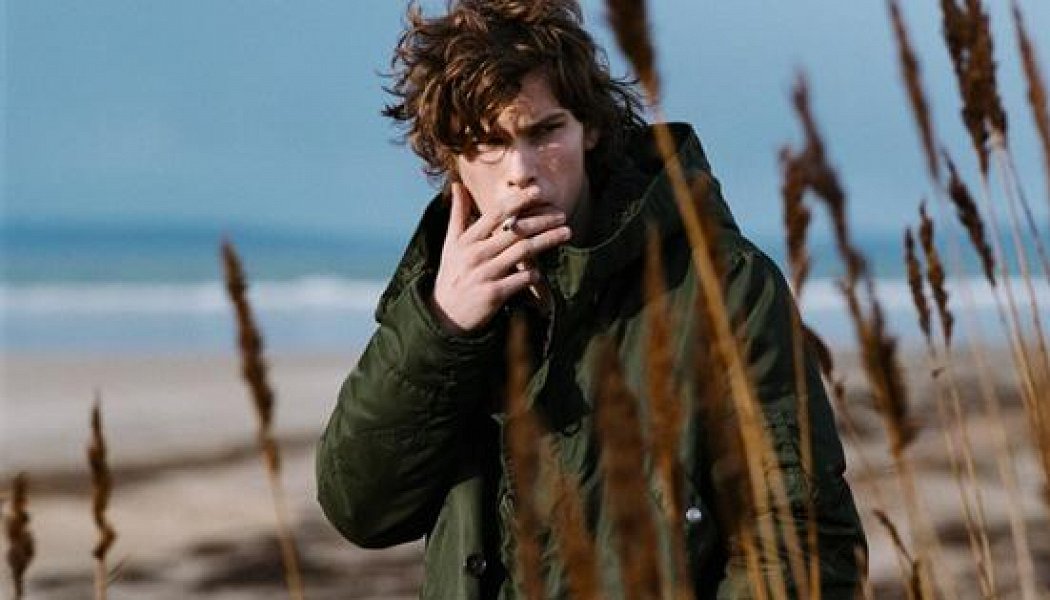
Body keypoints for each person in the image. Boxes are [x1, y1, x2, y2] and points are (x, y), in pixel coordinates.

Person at [316, 1, 867, 598]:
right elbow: (360, 509)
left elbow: (803, 541)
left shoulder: (724, 284)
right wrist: (442, 331)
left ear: (591, 129)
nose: (520, 171)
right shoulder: (438, 304)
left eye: (545, 132)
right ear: (450, 159)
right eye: (488, 142)